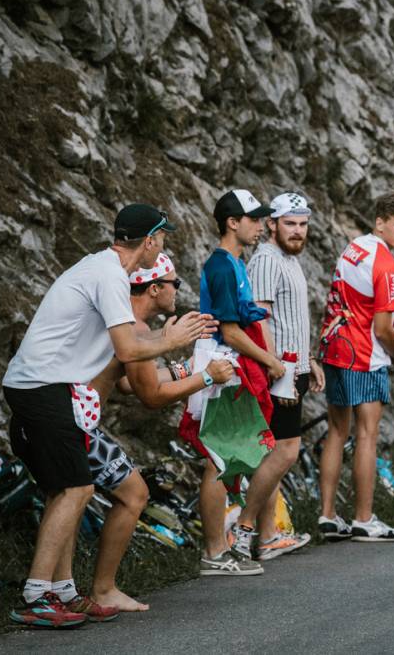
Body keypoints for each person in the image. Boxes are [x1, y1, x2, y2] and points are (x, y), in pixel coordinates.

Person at [2, 204, 207, 627]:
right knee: (76, 488)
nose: (162, 245)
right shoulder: (110, 275)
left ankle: (63, 592)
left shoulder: (103, 269)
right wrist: (171, 341)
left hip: (46, 385)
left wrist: (167, 339)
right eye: (161, 238)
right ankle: (36, 596)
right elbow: (129, 350)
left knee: (65, 491)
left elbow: (128, 346)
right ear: (149, 240)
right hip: (44, 386)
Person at [85, 255, 234, 610]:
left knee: (75, 494)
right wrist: (207, 377)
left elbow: (126, 383)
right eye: (174, 283)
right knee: (133, 493)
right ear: (154, 289)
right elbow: (150, 396)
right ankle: (101, 589)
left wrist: (185, 369)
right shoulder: (135, 328)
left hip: (70, 416)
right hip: (76, 421)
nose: (178, 290)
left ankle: (62, 590)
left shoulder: (131, 324)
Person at [317, 190, 394, 543]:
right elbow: (383, 329)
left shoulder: (354, 247)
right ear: (380, 222)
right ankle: (364, 518)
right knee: (367, 435)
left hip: (334, 346)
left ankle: (328, 515)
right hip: (364, 355)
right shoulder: (387, 265)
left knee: (336, 431)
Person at [190, 189, 282, 576]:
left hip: (228, 366)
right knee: (219, 458)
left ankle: (222, 545)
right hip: (221, 365)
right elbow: (229, 331)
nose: (261, 226)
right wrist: (270, 360)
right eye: (254, 219)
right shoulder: (223, 266)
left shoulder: (234, 263)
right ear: (232, 222)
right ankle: (214, 552)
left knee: (232, 457)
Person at [245, 192, 324, 559]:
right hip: (278, 371)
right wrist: (280, 372)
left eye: (303, 224)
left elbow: (290, 320)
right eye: (290, 223)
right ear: (271, 224)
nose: (297, 230)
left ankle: (268, 536)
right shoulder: (266, 259)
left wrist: (310, 359)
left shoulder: (290, 259)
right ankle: (245, 528)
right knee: (285, 453)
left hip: (294, 367)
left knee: (274, 452)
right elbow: (260, 321)